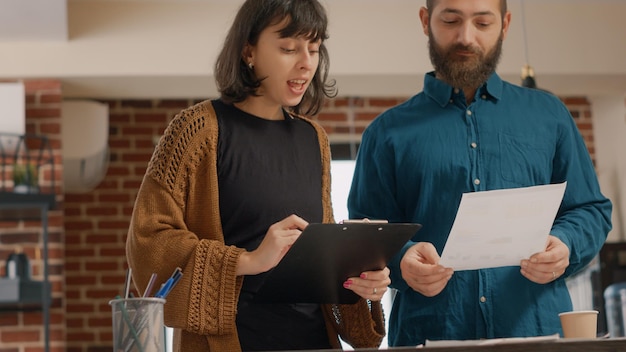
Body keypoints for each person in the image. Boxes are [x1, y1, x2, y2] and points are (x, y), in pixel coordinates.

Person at [125, 0, 389, 351]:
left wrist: (359, 276)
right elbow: (147, 242)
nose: (305, 62)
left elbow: (317, 264)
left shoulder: (315, 140)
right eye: (288, 48)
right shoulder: (196, 130)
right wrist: (247, 261)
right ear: (248, 51)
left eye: (313, 48)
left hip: (314, 341)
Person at [347, 0, 612, 347]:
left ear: (505, 24)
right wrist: (400, 260)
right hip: (428, 336)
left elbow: (590, 209)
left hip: (539, 332)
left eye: (483, 23)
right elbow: (365, 232)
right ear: (426, 21)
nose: (465, 37)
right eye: (451, 20)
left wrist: (566, 243)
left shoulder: (551, 116)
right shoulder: (386, 133)